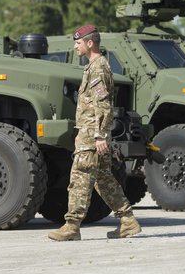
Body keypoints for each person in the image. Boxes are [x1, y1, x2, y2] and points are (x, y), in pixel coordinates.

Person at [48, 25, 141, 241]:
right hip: (93, 133)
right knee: (104, 178)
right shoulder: (95, 67)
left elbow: (103, 104)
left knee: (80, 176)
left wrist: (100, 135)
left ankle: (71, 226)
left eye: (78, 42)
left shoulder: (98, 68)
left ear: (90, 43)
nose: (75, 46)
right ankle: (127, 220)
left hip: (92, 135)